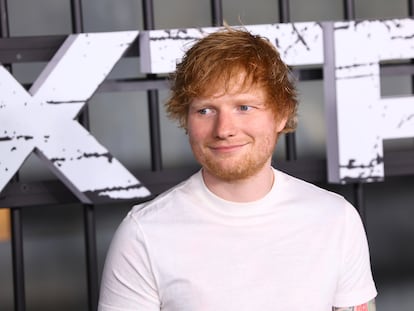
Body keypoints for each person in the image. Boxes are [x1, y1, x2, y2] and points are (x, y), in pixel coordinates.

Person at [98, 27, 377, 311]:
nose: (224, 130)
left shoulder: (336, 219)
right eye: (205, 110)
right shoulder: (143, 234)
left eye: (243, 107)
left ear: (280, 114)